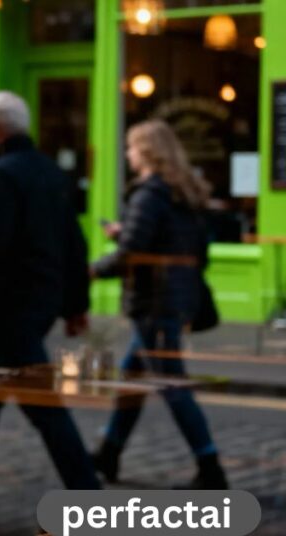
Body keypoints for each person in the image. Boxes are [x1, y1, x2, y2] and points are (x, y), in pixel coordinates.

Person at [0, 91, 100, 491]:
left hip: (9, 305)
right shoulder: (47, 171)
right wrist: (76, 304)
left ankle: (89, 494)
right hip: (39, 302)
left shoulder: (2, 174)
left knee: (43, 407)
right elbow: (73, 243)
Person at [91, 119, 227, 489]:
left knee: (172, 384)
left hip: (155, 301)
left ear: (147, 152)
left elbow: (131, 252)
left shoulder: (149, 194)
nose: (128, 154)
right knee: (132, 379)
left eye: (132, 148)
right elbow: (186, 245)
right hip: (177, 297)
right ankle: (109, 452)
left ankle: (210, 466)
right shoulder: (183, 192)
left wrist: (92, 270)